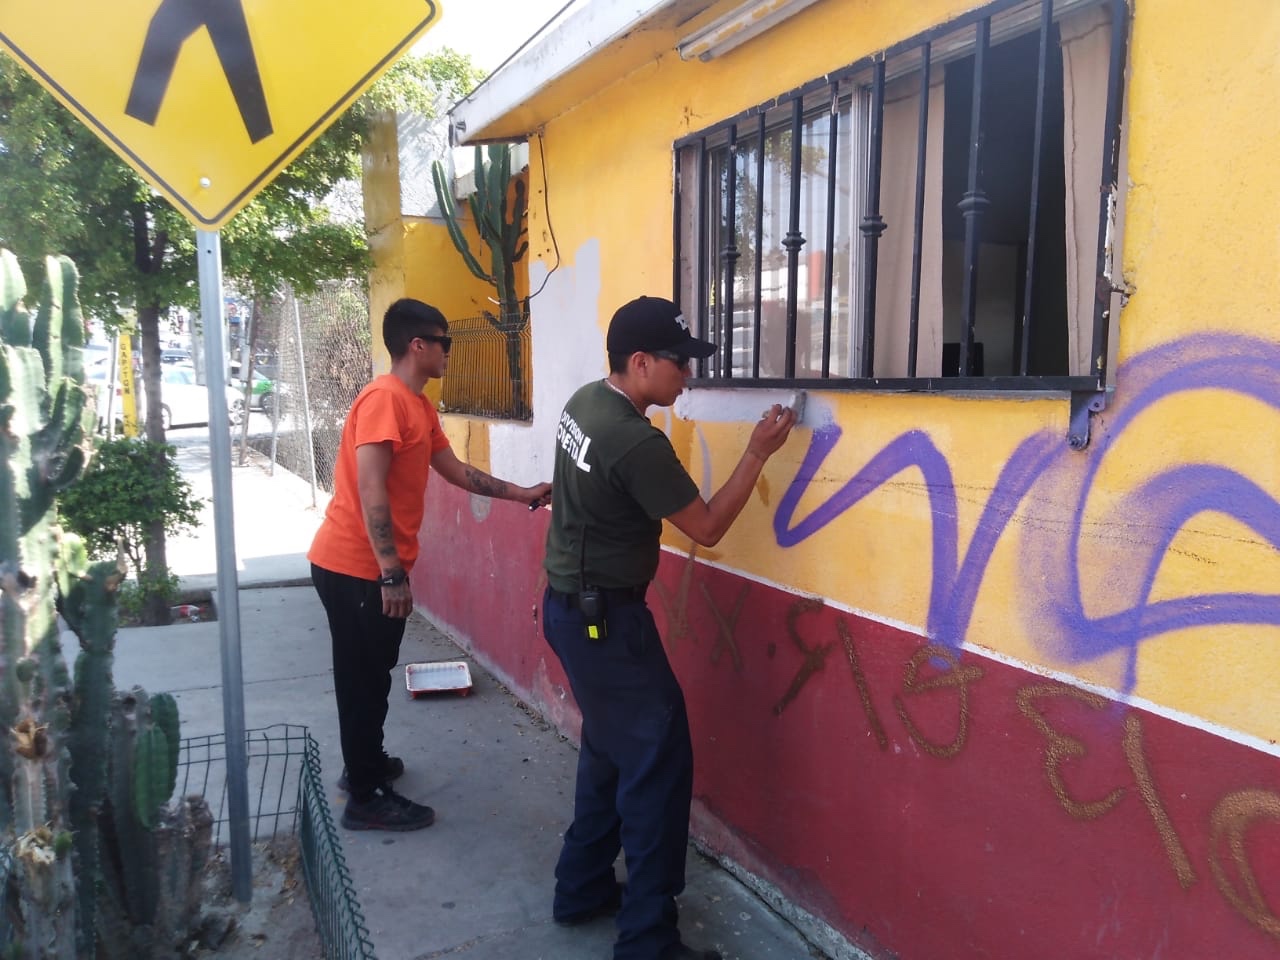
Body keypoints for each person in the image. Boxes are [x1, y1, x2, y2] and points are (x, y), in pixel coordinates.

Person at [541, 296, 797, 960]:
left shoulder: (583, 404)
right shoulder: (633, 438)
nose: (688, 377)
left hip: (574, 612)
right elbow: (707, 528)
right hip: (606, 622)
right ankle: (648, 941)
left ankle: (582, 889)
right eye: (680, 365)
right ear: (640, 362)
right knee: (656, 766)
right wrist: (758, 453)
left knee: (609, 750)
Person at [309, 298, 551, 832]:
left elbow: (458, 472)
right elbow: (371, 487)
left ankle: (365, 766)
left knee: (373, 674)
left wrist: (522, 493)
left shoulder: (418, 407)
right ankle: (366, 796)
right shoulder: (384, 400)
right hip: (355, 567)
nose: (449, 352)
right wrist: (391, 572)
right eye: (445, 342)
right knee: (362, 679)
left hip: (370, 569)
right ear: (417, 345)